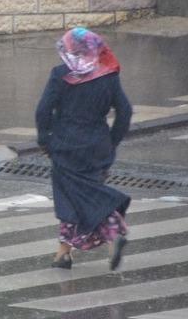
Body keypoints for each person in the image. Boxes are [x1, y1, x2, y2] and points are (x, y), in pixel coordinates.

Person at [35, 27, 133, 271]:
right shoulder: (108, 76)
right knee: (85, 194)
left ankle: (111, 233)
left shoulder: (60, 75)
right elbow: (125, 111)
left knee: (71, 198)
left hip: (65, 145)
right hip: (97, 145)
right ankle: (63, 254)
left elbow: (43, 111)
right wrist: (112, 141)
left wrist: (44, 139)